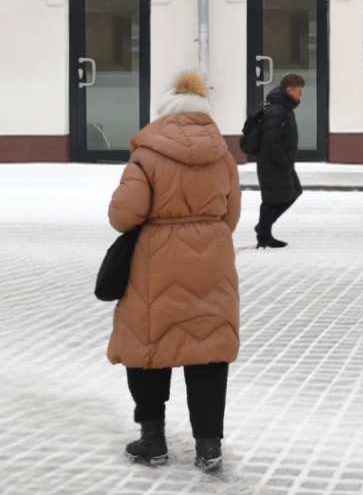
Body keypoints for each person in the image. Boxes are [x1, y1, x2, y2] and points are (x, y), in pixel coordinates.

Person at [108, 71, 241, 473]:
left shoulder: (147, 155)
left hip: (156, 260)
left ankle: (153, 439)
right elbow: (232, 214)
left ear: (165, 113)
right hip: (213, 259)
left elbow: (123, 215)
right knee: (208, 349)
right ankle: (209, 445)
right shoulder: (222, 154)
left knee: (147, 346)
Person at [254, 73, 303, 249]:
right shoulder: (278, 110)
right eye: (299, 90)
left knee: (294, 191)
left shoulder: (283, 107)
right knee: (271, 200)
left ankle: (263, 227)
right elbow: (271, 142)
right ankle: (264, 237)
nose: (301, 94)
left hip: (280, 162)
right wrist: (285, 163)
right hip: (273, 162)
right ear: (289, 90)